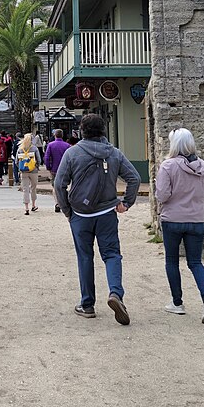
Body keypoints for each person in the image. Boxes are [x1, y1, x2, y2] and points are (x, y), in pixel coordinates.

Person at [54, 113, 140, 326]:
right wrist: (126, 203)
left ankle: (87, 304)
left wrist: (67, 210)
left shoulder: (72, 153)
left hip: (80, 214)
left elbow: (59, 184)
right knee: (111, 255)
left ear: (81, 131)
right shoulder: (114, 153)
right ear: (104, 131)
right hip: (106, 213)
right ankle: (116, 294)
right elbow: (134, 178)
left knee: (85, 257)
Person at [155, 128, 204, 324]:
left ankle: (177, 303)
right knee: (195, 262)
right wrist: (201, 206)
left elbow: (162, 195)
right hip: (196, 220)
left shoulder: (167, 166)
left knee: (172, 261)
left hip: (172, 219)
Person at [45, 129, 73, 213]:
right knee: (66, 185)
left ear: (55, 135)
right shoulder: (67, 145)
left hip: (54, 168)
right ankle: (65, 201)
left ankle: (57, 203)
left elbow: (47, 157)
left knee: (54, 186)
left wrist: (48, 167)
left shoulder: (50, 145)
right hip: (66, 169)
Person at [15, 133, 43, 215]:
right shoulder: (34, 148)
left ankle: (26, 207)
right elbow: (39, 160)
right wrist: (36, 167)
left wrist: (21, 168)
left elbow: (16, 161)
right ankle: (33, 205)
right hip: (33, 171)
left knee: (25, 189)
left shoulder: (20, 149)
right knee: (33, 188)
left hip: (23, 172)